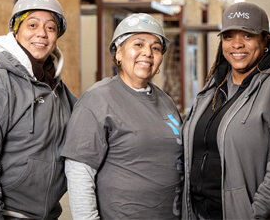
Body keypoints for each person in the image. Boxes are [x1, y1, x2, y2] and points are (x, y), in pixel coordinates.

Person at [181, 2, 270, 219]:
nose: (237, 45)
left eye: (247, 36)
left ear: (265, 40)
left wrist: (256, 212)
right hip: (200, 213)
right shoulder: (213, 87)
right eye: (228, 37)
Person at [0, 0, 78, 219]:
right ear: (16, 30)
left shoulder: (58, 92)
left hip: (43, 214)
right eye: (32, 25)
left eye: (50, 27)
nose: (41, 33)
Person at [61, 13, 183, 220]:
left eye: (155, 47)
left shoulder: (165, 101)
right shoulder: (97, 100)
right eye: (138, 44)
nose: (148, 53)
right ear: (118, 52)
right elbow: (79, 173)